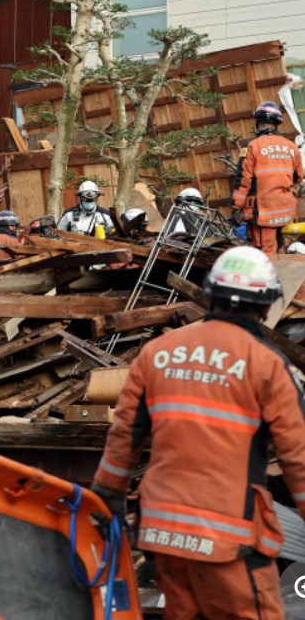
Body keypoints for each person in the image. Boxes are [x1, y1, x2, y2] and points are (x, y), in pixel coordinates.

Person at [92, 245, 305, 620]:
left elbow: (123, 438)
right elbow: (298, 458)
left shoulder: (156, 353)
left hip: (163, 533)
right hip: (229, 536)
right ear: (268, 304)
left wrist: (108, 498)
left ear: (210, 295)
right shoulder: (268, 365)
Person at [232, 101, 304, 254]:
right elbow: (299, 177)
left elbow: (242, 180)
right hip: (285, 210)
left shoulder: (251, 146)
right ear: (276, 124)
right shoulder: (291, 146)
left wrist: (235, 206)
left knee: (264, 252)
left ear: (258, 123)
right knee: (279, 246)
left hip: (262, 211)